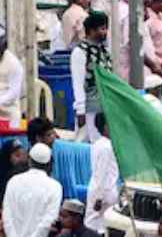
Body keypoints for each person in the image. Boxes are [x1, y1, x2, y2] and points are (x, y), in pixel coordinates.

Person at [3, 142, 63, 237]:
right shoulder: (55, 187)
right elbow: (48, 221)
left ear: (29, 160)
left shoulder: (13, 181)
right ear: (48, 164)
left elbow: (7, 217)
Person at [70, 13, 111, 142]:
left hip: (104, 104)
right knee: (88, 140)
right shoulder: (80, 52)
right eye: (102, 29)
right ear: (92, 31)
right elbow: (78, 82)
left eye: (105, 28)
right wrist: (80, 110)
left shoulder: (104, 50)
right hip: (89, 106)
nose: (105, 32)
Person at [84, 113, 117, 233]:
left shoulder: (99, 144)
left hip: (102, 191)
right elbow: (101, 173)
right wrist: (99, 198)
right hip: (103, 191)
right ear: (106, 126)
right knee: (95, 226)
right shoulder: (106, 146)